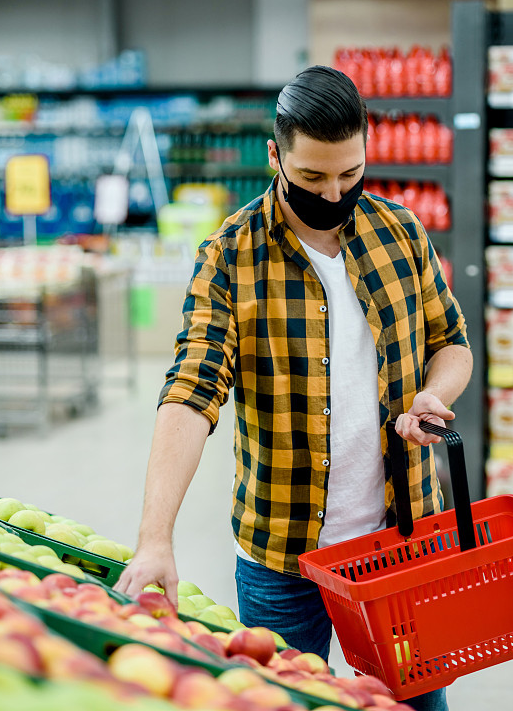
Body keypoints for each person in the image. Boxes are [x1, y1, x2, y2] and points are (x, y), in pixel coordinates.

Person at [115, 66, 473, 711]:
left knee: (417, 705)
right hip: (283, 554)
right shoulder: (230, 254)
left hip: (400, 540)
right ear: (275, 155)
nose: (334, 192)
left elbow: (452, 341)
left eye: (350, 174)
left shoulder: (400, 232)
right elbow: (191, 393)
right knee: (284, 702)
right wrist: (155, 535)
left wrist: (433, 394)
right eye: (312, 177)